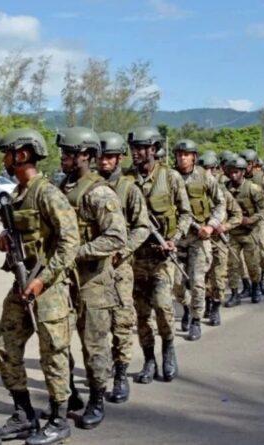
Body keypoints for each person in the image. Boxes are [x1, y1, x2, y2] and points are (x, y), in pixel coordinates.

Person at [0, 128, 79, 445]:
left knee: (53, 355)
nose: (3, 159)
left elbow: (70, 242)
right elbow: (26, 235)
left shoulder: (47, 193)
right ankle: (24, 415)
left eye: (6, 154)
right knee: (4, 346)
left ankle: (59, 419)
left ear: (22, 155)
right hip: (21, 282)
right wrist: (6, 239)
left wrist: (44, 278)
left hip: (48, 286)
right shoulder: (18, 193)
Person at [57, 127, 127, 429]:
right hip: (64, 281)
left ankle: (97, 399)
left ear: (85, 155)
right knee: (58, 342)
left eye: (68, 153)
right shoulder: (62, 188)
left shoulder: (99, 192)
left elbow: (116, 238)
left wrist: (79, 252)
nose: (63, 158)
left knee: (94, 345)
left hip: (93, 283)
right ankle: (69, 393)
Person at [124, 126, 193, 384]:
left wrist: (174, 240)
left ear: (153, 149)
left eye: (141, 148)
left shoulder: (171, 177)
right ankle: (149, 360)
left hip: (162, 256)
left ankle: (169, 349)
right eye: (133, 149)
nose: (136, 153)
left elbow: (186, 214)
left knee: (163, 307)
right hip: (136, 257)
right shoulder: (127, 180)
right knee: (141, 314)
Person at [97, 131, 151, 402]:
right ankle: (101, 366)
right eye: (100, 156)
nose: (104, 162)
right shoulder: (88, 185)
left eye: (110, 157)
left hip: (119, 266)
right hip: (93, 266)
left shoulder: (129, 189)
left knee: (121, 320)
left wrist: (125, 248)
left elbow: (143, 226)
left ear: (119, 158)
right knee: (95, 323)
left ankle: (120, 373)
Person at [172, 140, 226, 341]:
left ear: (194, 156)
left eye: (187, 154)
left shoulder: (205, 176)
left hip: (198, 237)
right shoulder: (170, 177)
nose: (182, 157)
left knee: (197, 281)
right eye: (179, 154)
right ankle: (186, 307)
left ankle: (195, 319)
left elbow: (221, 203)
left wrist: (211, 225)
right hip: (177, 237)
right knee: (176, 284)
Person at [200, 152, 242, 326]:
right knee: (200, 278)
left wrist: (224, 227)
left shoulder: (223, 192)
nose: (208, 173)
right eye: (205, 169)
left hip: (218, 241)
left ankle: (215, 306)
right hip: (200, 241)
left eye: (211, 169)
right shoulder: (192, 190)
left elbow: (237, 215)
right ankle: (204, 304)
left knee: (217, 277)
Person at [224, 157, 264, 306]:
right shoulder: (224, 188)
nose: (233, 175)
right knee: (232, 265)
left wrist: (251, 219)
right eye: (231, 172)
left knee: (253, 264)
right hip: (232, 233)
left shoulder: (252, 188)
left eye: (236, 172)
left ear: (243, 172)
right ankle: (235, 293)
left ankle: (255, 288)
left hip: (250, 233)